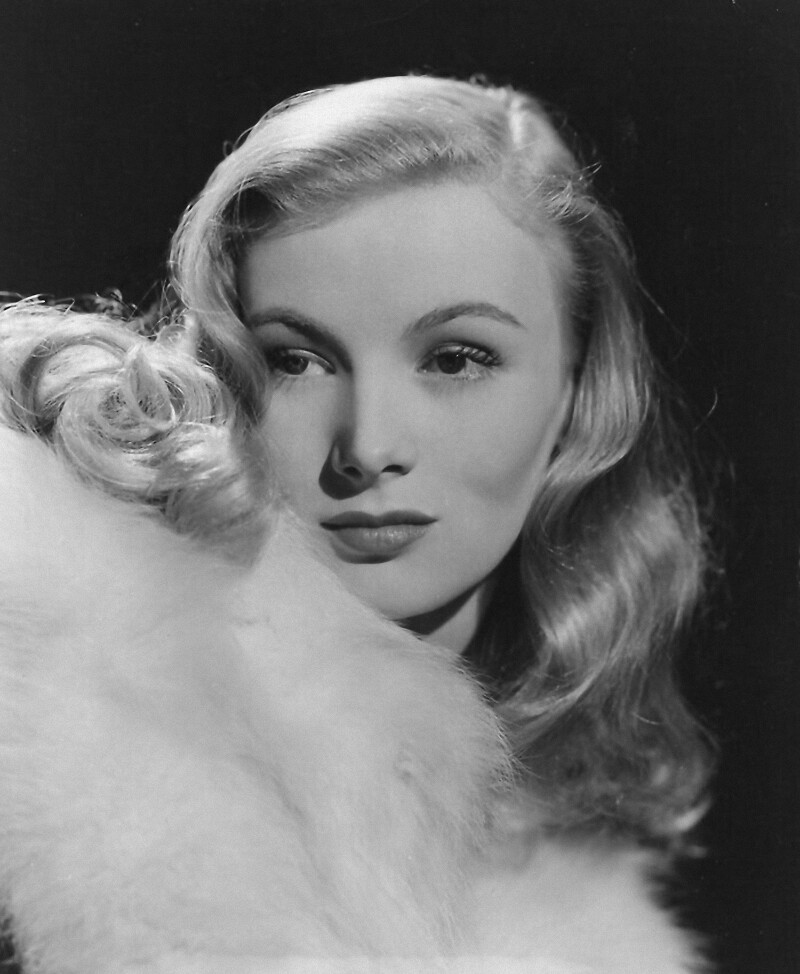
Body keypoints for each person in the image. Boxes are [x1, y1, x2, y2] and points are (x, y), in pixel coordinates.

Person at [0, 75, 711, 973]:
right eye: (296, 360)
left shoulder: (574, 901)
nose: (368, 448)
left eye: (456, 359)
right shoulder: (46, 738)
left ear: (576, 395)